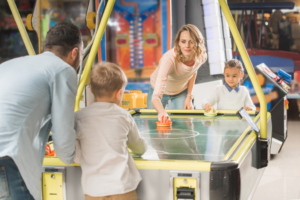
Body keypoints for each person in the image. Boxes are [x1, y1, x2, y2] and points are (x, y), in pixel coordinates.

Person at [0, 22, 83, 200]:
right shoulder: (63, 70)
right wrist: (78, 156)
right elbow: (63, 135)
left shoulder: (10, 65)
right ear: (74, 52)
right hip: (6, 158)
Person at [74, 62, 147, 200]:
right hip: (122, 188)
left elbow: (76, 155)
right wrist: (143, 148)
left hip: (93, 190)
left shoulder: (78, 118)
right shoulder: (124, 115)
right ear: (119, 93)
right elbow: (138, 147)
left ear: (91, 90)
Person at [147, 24, 207, 122]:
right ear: (178, 43)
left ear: (198, 42)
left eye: (191, 42)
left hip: (181, 91)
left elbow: (192, 72)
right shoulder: (169, 60)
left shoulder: (201, 56)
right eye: (183, 41)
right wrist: (162, 112)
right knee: (154, 123)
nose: (187, 45)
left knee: (184, 125)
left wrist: (189, 96)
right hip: (158, 91)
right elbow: (156, 96)